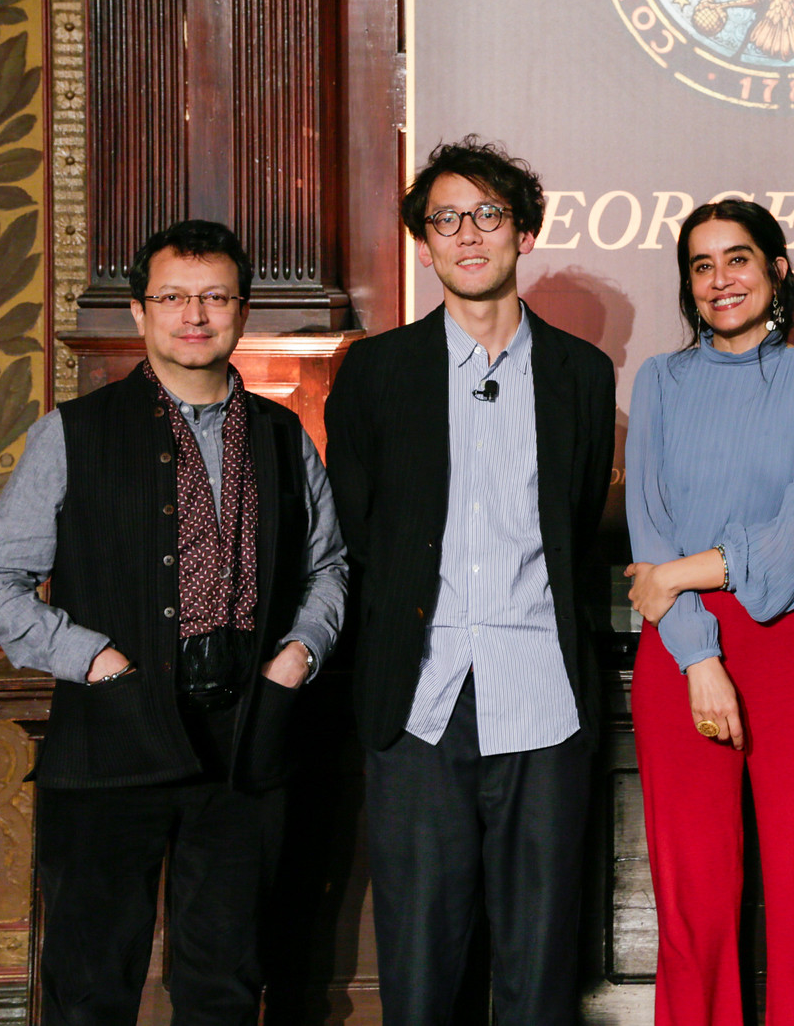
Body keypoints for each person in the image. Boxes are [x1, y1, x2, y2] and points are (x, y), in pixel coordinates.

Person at [0, 220, 348, 1026]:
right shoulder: (73, 431)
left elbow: (330, 566)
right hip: (111, 744)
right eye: (173, 297)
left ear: (242, 312)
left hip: (245, 748)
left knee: (226, 989)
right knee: (90, 988)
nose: (194, 314)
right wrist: (95, 658)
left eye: (214, 297)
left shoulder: (282, 434)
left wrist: (300, 653)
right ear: (140, 312)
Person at [324, 137, 616, 1026]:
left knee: (538, 967)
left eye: (488, 214)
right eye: (446, 218)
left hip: (544, 693)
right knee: (421, 966)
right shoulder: (376, 371)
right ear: (424, 243)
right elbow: (358, 533)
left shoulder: (580, 373)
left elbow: (570, 528)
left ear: (522, 232)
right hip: (420, 694)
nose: (467, 234)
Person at [623, 199, 794, 1026]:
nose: (720, 279)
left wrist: (687, 570)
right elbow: (647, 526)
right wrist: (699, 656)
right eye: (702, 264)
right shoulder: (658, 379)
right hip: (680, 653)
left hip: (793, 647)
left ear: (777, 270)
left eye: (738, 259)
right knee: (694, 900)